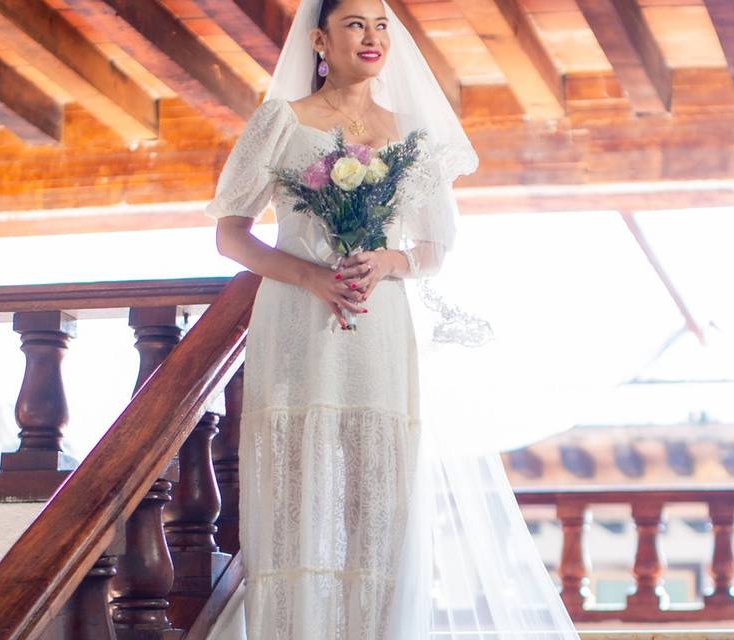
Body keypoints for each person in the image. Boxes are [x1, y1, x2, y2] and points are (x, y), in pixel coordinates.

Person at [205, 0, 581, 637]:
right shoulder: (281, 121)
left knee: (378, 493)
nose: (372, 36)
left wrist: (386, 261)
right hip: (298, 321)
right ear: (320, 40)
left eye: (381, 25)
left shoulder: (411, 134)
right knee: (296, 492)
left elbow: (434, 252)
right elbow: (231, 236)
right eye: (355, 24)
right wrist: (312, 276)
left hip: (379, 327)